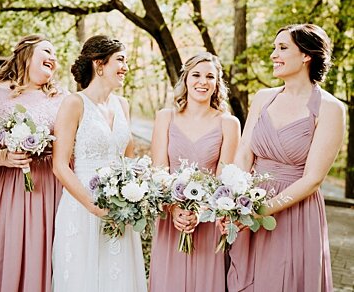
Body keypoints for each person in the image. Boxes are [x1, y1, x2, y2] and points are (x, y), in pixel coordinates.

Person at [226, 24, 345, 292]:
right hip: (249, 204)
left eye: (282, 48)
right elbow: (244, 153)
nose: (273, 55)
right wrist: (235, 203)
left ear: (306, 55)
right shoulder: (263, 98)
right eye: (274, 48)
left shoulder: (330, 108)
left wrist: (261, 211)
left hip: (295, 211)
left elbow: (313, 179)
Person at [0, 34, 65, 292]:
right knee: (7, 251)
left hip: (51, 191)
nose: (53, 58)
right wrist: (4, 157)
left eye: (56, 55)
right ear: (26, 54)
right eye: (47, 51)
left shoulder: (62, 99)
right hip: (4, 191)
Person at [51, 35, 146, 292]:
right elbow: (59, 165)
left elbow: (128, 160)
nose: (125, 66)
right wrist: (94, 207)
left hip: (119, 210)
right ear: (99, 64)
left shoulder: (123, 105)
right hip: (82, 207)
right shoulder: (74, 103)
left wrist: (133, 195)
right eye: (120, 60)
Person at [147, 53, 241, 292]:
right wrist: (174, 208)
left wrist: (201, 211)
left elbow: (225, 180)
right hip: (171, 219)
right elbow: (159, 170)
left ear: (217, 83)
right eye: (197, 75)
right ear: (186, 79)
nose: (203, 81)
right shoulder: (165, 117)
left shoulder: (229, 123)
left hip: (209, 221)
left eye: (210, 76)